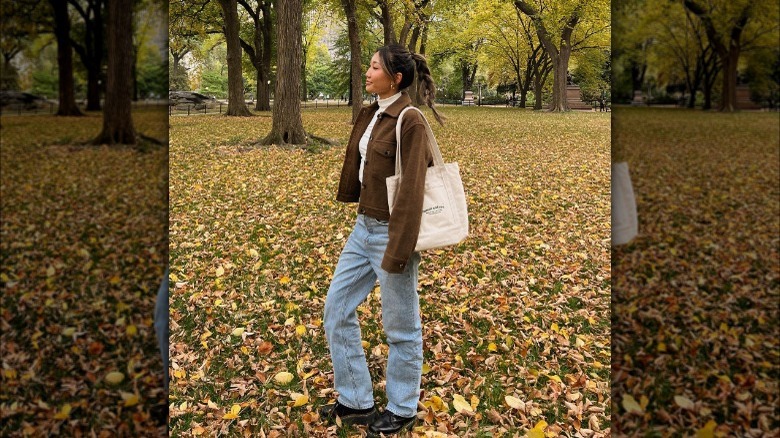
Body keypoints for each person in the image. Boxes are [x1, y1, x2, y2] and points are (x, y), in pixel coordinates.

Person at [320, 44, 445, 437]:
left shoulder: (410, 121)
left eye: (375, 67)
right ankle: (356, 400)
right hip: (363, 229)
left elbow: (410, 191)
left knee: (401, 327)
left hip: (393, 234)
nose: (368, 70)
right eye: (369, 64)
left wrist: (399, 249)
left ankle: (402, 407)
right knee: (336, 309)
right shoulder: (372, 113)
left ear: (396, 78)